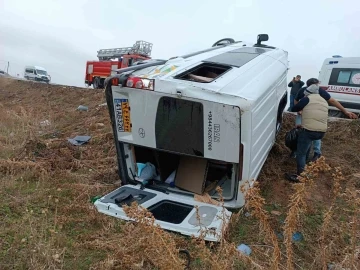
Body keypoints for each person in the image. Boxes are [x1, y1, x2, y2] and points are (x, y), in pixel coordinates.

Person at [294, 79, 358, 161]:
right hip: (305, 114)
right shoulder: (304, 90)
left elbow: (332, 101)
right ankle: (298, 151)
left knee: (312, 131)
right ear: (315, 85)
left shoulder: (318, 91)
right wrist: (299, 110)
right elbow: (296, 100)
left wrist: (345, 111)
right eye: (318, 84)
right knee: (303, 130)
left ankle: (316, 153)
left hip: (315, 115)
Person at [286, 79, 329, 182]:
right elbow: (314, 115)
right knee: (307, 145)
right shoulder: (323, 101)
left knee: (301, 153)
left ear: (308, 93)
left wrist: (301, 105)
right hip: (321, 132)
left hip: (309, 131)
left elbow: (294, 108)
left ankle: (301, 176)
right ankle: (307, 165)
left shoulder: (307, 99)